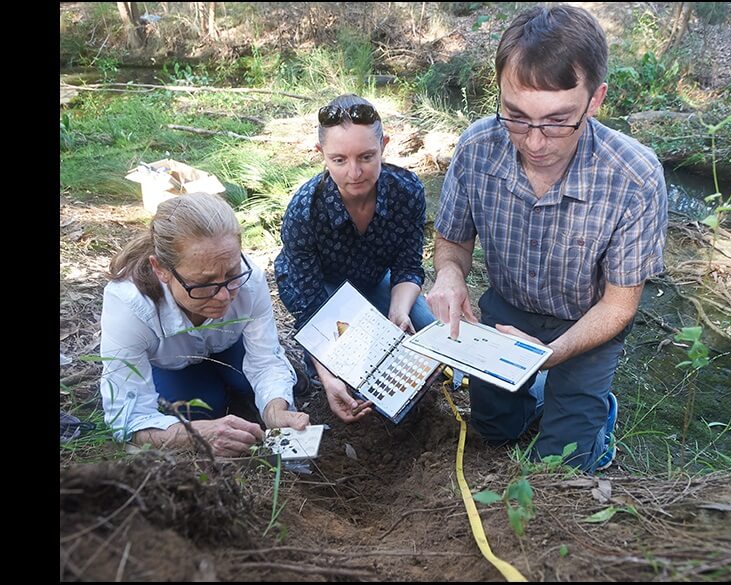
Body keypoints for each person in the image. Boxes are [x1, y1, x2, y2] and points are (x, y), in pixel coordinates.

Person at [426, 4, 668, 473]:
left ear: (595, 100)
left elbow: (618, 306)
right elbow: (452, 241)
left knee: (562, 464)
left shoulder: (634, 177)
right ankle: (541, 399)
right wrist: (450, 276)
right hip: (505, 310)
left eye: (558, 121)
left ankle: (592, 416)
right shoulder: (477, 147)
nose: (534, 142)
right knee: (495, 432)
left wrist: (545, 357)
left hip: (588, 324)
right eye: (516, 117)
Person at [99, 192, 310, 457]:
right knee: (202, 408)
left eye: (232, 274)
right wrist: (195, 435)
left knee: (253, 383)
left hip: (231, 347)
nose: (224, 296)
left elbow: (264, 359)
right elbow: (127, 419)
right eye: (204, 283)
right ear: (161, 269)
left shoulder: (250, 279)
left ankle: (254, 387)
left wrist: (275, 409)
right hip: (174, 363)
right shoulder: (128, 303)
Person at [274, 94, 435, 423]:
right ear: (322, 155)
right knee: (358, 376)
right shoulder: (305, 210)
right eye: (339, 160)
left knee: (429, 343)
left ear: (384, 146)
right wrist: (328, 368)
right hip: (322, 287)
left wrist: (398, 311)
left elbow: (407, 267)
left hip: (373, 278)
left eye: (366, 156)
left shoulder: (407, 191)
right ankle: (319, 369)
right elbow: (310, 308)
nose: (355, 172)